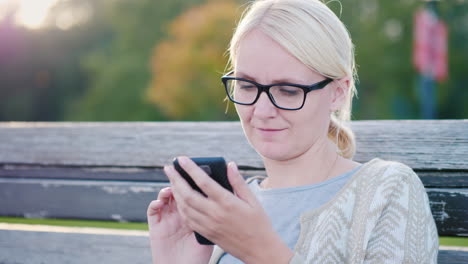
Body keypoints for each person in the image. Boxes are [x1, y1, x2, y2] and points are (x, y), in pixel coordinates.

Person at [147, 0, 439, 263]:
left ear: (337, 92)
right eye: (247, 86)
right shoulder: (230, 206)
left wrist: (260, 250)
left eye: (287, 90)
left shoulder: (385, 190)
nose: (261, 111)